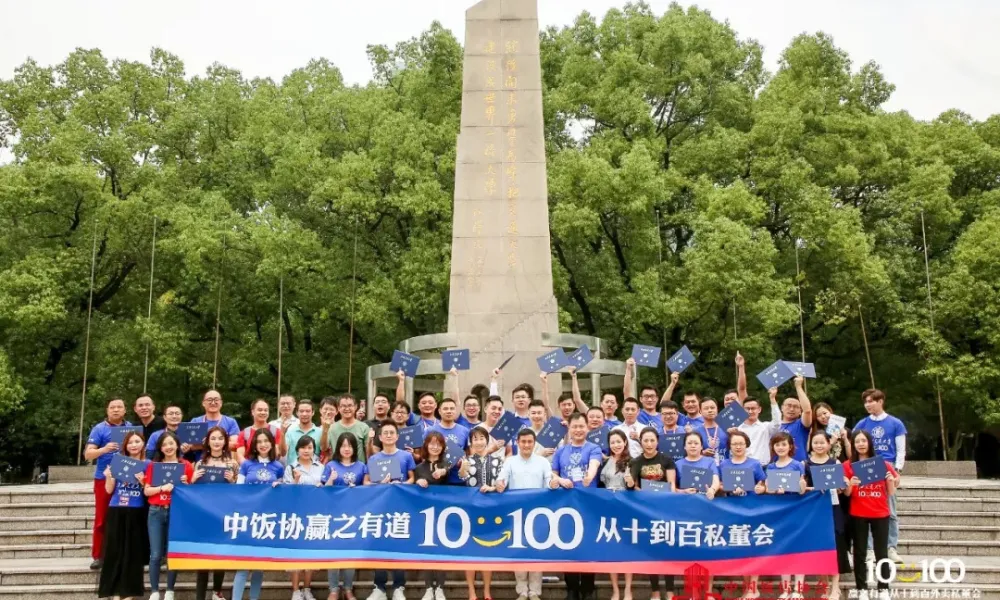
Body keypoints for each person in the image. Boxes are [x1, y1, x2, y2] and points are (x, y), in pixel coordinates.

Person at [496, 429, 553, 600]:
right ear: (518, 443)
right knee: (519, 551)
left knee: (536, 551)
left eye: (530, 442)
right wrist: (500, 483)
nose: (527, 445)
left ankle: (535, 591)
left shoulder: (543, 462)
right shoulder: (510, 461)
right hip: (516, 513)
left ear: (534, 443)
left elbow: (548, 480)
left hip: (538, 513)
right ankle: (522, 590)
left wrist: (554, 483)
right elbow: (502, 478)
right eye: (523, 442)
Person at [550, 414, 602, 600]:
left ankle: (587, 588)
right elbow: (552, 474)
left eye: (581, 426)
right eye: (575, 427)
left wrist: (590, 476)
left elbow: (595, 465)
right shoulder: (561, 451)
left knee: (588, 545)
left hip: (588, 504)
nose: (578, 430)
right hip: (566, 506)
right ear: (569, 429)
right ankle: (571, 588)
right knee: (568, 545)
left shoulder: (593, 448)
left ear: (587, 428)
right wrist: (560, 480)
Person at [623, 427, 677, 600]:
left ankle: (669, 592)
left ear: (657, 441)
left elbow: (672, 485)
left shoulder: (666, 460)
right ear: (640, 441)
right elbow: (632, 487)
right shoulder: (635, 462)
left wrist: (666, 494)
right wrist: (632, 484)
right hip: (645, 511)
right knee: (651, 552)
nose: (649, 444)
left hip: (666, 510)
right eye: (645, 440)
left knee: (667, 551)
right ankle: (655, 591)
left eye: (652, 440)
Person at [853, 388, 906, 563]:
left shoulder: (895, 423)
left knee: (890, 509)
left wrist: (897, 470)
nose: (868, 405)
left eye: (871, 401)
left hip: (886, 466)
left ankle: (891, 547)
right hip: (865, 465)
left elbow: (900, 448)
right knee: (866, 507)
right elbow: (852, 440)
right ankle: (868, 549)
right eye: (865, 402)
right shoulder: (862, 423)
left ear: (880, 401)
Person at [845, 429, 899, 600]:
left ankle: (883, 588)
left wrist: (890, 480)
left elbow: (891, 492)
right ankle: (862, 589)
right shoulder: (847, 465)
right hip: (858, 513)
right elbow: (846, 494)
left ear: (869, 443)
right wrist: (851, 484)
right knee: (860, 552)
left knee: (881, 552)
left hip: (880, 512)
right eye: (857, 441)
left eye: (864, 440)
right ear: (853, 444)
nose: (861, 444)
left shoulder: (882, 463)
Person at [232, 428, 286, 600]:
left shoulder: (278, 466)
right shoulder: (246, 464)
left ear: (272, 444)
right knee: (242, 566)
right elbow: (238, 490)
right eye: (259, 441)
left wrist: (280, 485)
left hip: (266, 520)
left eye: (266, 441)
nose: (263, 445)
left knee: (259, 566)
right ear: (254, 444)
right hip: (247, 517)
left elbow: (284, 494)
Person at [365, 421, 416, 600]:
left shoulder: (405, 456)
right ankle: (379, 586)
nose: (388, 435)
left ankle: (398, 586)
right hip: (380, 507)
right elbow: (366, 482)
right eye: (385, 433)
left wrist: (400, 484)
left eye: (391, 432)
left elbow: (412, 479)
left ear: (397, 436)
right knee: (379, 544)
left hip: (400, 506)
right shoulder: (373, 458)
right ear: (380, 437)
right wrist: (380, 484)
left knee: (398, 544)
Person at [97, 430, 149, 600]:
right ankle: (111, 591)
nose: (134, 445)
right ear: (125, 445)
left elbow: (148, 492)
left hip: (137, 510)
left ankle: (129, 593)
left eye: (137, 441)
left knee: (133, 554)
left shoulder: (148, 464)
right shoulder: (117, 462)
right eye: (130, 442)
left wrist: (143, 482)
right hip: (117, 508)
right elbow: (109, 490)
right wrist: (109, 477)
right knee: (114, 551)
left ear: (143, 444)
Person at [83, 397, 133, 569]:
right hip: (103, 479)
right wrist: (104, 449)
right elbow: (88, 454)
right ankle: (99, 555)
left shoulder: (131, 428)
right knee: (102, 518)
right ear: (107, 410)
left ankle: (124, 553)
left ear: (125, 410)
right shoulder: (99, 429)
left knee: (127, 517)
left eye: (120, 407)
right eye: (113, 407)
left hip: (127, 478)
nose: (116, 410)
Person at [143, 430, 193, 600]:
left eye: (171, 443)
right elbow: (147, 490)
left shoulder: (186, 465)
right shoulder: (153, 466)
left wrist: (186, 484)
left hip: (176, 511)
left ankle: (170, 590)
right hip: (156, 511)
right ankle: (155, 591)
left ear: (177, 445)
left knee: (172, 552)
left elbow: (193, 494)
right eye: (164, 445)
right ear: (160, 448)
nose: (168, 447)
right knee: (156, 554)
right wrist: (161, 488)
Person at [191, 426, 238, 600]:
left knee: (220, 555)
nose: (217, 442)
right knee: (202, 559)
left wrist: (232, 481)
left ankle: (217, 592)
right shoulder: (201, 463)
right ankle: (200, 596)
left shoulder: (232, 463)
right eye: (213, 438)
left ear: (225, 441)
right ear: (207, 442)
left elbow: (238, 493)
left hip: (223, 514)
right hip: (203, 515)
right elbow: (192, 492)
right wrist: (193, 480)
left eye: (220, 438)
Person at [805, 431, 851, 600]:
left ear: (828, 444)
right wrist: (814, 489)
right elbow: (803, 489)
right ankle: (824, 585)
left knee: (836, 544)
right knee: (819, 546)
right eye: (815, 442)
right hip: (814, 510)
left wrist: (841, 485)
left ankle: (835, 587)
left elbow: (841, 486)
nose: (819, 445)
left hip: (833, 508)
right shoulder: (806, 464)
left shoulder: (835, 462)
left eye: (822, 442)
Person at [459, 426, 503, 600]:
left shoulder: (498, 461)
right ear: (471, 442)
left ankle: (486, 591)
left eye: (481, 438)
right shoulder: (466, 460)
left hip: (491, 510)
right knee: (469, 552)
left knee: (487, 550)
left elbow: (501, 484)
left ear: (487, 440)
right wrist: (462, 468)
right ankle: (471, 591)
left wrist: (493, 487)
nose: (478, 442)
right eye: (474, 439)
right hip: (470, 511)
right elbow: (462, 478)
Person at [720, 431, 766, 598]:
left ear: (746, 444)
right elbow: (719, 485)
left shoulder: (754, 464)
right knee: (741, 549)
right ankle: (748, 588)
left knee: (753, 548)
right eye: (734, 444)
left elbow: (763, 483)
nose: (738, 447)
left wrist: (761, 488)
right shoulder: (724, 464)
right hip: (732, 510)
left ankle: (754, 588)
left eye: (741, 443)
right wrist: (728, 488)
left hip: (752, 509)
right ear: (730, 447)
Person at [322, 432, 367, 600]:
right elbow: (324, 490)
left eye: (350, 445)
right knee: (333, 553)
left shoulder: (362, 466)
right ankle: (333, 588)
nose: (346, 449)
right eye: (343, 445)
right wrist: (331, 480)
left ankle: (348, 588)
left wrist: (358, 488)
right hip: (334, 515)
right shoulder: (331, 465)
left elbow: (368, 489)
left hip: (355, 515)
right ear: (338, 448)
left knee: (350, 553)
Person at [764, 431, 808, 598]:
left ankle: (798, 590)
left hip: (796, 510)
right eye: (777, 444)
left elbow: (802, 488)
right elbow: (768, 489)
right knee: (783, 550)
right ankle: (785, 589)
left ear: (790, 446)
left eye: (783, 444)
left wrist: (798, 485)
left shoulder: (798, 464)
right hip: (779, 512)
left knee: (798, 549)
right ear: (773, 447)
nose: (780, 447)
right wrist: (774, 489)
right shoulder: (771, 467)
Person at [285, 436, 325, 600]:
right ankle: (296, 590)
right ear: (297, 450)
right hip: (296, 515)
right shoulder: (291, 467)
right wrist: (295, 480)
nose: (306, 450)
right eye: (303, 447)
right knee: (295, 555)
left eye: (310, 447)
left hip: (316, 514)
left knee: (311, 554)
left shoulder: (321, 467)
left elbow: (326, 489)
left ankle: (307, 588)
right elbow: (286, 493)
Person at [415, 432, 453, 600]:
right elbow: (413, 486)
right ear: (426, 445)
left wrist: (444, 471)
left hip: (444, 514)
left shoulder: (448, 464)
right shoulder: (419, 468)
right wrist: (418, 482)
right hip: (424, 515)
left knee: (441, 550)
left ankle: (440, 587)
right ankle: (429, 587)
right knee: (427, 551)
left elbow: (450, 472)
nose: (435, 447)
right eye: (432, 443)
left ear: (443, 447)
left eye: (438, 444)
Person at [600, 430, 633, 600]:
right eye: (612, 442)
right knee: (611, 549)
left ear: (625, 442)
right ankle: (615, 590)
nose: (616, 445)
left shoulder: (631, 461)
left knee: (627, 549)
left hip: (625, 507)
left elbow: (634, 486)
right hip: (607, 507)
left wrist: (630, 481)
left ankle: (628, 589)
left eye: (619, 441)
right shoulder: (603, 461)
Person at [429, 397, 470, 483]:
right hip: (436, 479)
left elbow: (468, 452)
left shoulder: (465, 431)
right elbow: (424, 455)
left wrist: (462, 461)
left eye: (452, 408)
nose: (449, 411)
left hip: (458, 479)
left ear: (456, 411)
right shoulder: (429, 431)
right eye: (445, 409)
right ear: (439, 411)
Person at [323, 394, 372, 464]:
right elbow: (324, 448)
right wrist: (325, 430)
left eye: (350, 405)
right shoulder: (332, 428)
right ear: (338, 408)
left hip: (359, 470)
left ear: (355, 407)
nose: (347, 409)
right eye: (343, 406)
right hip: (338, 470)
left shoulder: (364, 427)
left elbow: (368, 453)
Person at [191, 389, 240, 460]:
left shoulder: (231, 422)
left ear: (221, 403)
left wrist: (207, 443)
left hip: (224, 464)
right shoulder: (195, 421)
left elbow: (235, 445)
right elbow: (190, 446)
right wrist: (221, 442)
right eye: (209, 400)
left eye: (216, 400)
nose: (213, 402)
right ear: (203, 403)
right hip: (201, 464)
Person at [736, 392, 782, 464]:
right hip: (743, 467)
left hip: (762, 467)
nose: (750, 411)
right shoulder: (737, 429)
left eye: (753, 408)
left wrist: (772, 399)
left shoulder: (765, 427)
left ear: (759, 409)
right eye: (747, 409)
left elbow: (777, 423)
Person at [778, 376, 812, 462]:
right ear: (782, 408)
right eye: (788, 406)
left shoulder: (801, 424)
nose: (792, 409)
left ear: (800, 411)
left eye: (796, 407)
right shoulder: (773, 426)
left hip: (798, 466)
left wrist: (798, 387)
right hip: (776, 467)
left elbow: (807, 410)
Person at [675, 432, 720, 497]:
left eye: (696, 443)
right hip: (685, 502)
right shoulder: (677, 464)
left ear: (701, 446)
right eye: (689, 443)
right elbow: (672, 488)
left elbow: (716, 481)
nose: (693, 446)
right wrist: (683, 491)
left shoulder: (710, 462)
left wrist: (712, 490)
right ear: (684, 446)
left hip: (706, 501)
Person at [622, 357, 663, 429]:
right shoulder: (637, 413)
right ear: (641, 399)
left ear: (657, 398)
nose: (649, 400)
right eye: (646, 396)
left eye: (652, 396)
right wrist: (628, 369)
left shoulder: (663, 417)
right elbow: (627, 392)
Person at [281, 399, 323, 464]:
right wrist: (282, 433)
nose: (304, 414)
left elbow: (325, 451)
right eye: (301, 411)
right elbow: (282, 453)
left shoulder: (320, 432)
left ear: (313, 412)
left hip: (314, 472)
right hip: (293, 471)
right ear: (297, 413)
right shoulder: (290, 432)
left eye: (308, 411)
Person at [692, 397, 729, 464]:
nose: (710, 410)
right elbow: (691, 454)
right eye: (706, 408)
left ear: (717, 409)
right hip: (705, 469)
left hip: (725, 468)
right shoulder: (696, 432)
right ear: (700, 411)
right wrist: (702, 453)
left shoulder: (727, 428)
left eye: (712, 408)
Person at [318, 396, 340, 462]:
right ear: (320, 410)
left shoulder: (340, 428)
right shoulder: (316, 429)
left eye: (331, 409)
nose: (328, 412)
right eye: (326, 409)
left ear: (337, 411)